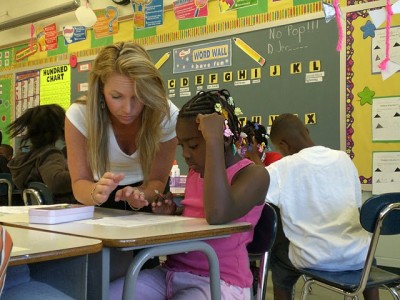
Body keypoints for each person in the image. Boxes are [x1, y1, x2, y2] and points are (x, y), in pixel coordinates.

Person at [109, 89, 269, 299]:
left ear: (225, 139)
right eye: (182, 146)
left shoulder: (254, 175)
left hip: (221, 281)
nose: (185, 154)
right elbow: (199, 216)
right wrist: (174, 214)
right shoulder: (196, 172)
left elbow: (217, 214)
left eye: (193, 145)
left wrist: (213, 140)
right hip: (171, 273)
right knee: (107, 293)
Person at [264, 113, 378, 300]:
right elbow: (356, 206)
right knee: (366, 253)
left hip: (314, 259)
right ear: (306, 131)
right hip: (358, 257)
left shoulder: (281, 168)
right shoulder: (344, 158)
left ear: (283, 145)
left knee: (277, 254)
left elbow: (257, 196)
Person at [65, 41, 178, 211]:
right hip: (96, 196)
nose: (128, 109)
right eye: (116, 96)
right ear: (101, 90)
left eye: (138, 96)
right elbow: (80, 182)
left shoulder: (165, 114)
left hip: (148, 197)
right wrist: (94, 193)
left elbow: (158, 181)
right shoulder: (80, 114)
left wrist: (141, 196)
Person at [6, 104, 75, 204]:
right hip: (63, 211)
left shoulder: (26, 156)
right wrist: (84, 174)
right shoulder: (50, 154)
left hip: (40, 211)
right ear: (59, 128)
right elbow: (56, 182)